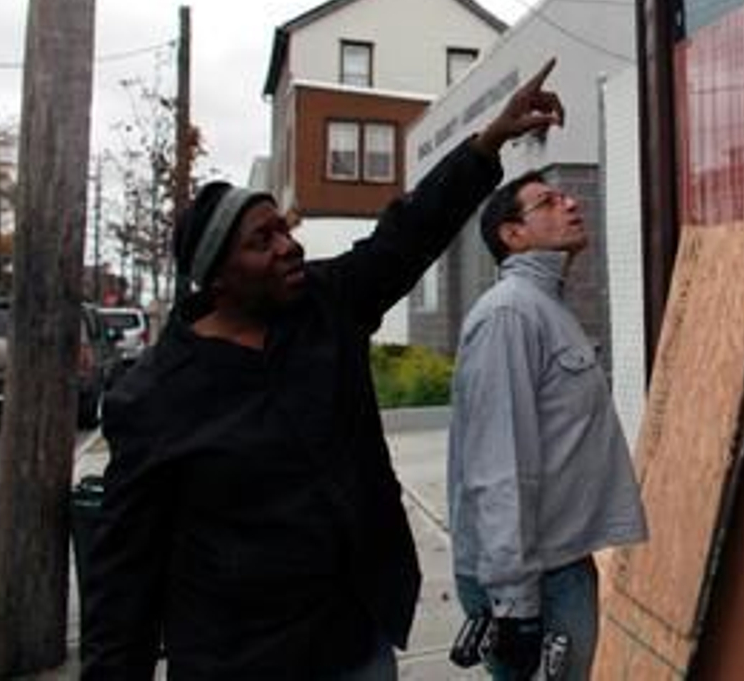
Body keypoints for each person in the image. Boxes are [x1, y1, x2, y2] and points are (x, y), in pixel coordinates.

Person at [80, 62, 565, 680]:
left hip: (353, 639)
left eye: (282, 227)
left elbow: (406, 234)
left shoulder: (323, 306)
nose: (288, 245)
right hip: (240, 660)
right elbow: (123, 578)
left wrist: (490, 139)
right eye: (262, 241)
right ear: (219, 277)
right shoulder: (154, 399)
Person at [448, 172, 647, 680]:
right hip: (532, 579)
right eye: (548, 202)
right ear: (513, 235)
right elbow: (498, 466)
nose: (570, 203)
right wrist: (514, 607)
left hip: (560, 562)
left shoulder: (547, 308)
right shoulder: (510, 316)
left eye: (565, 196)